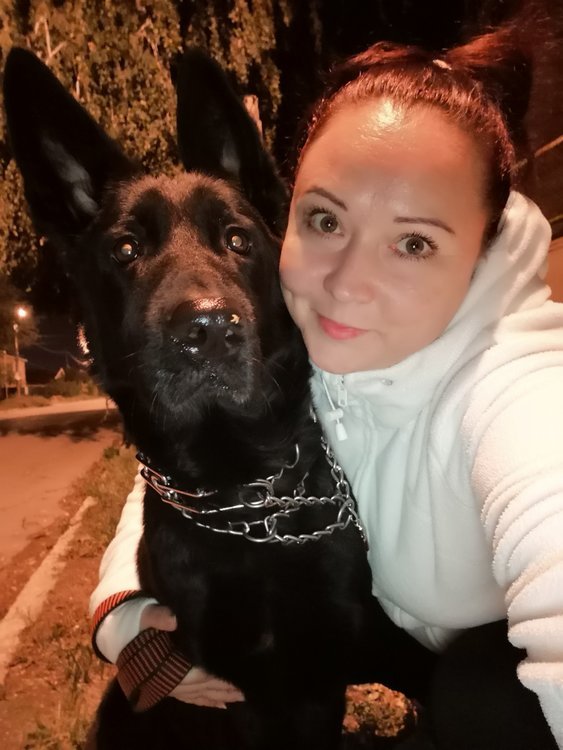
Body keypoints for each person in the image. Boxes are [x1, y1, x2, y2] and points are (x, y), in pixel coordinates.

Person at [89, 14, 563, 748]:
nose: (346, 283)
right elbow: (183, 479)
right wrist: (119, 612)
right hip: (379, 622)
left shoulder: (516, 393)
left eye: (413, 242)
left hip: (474, 662)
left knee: (482, 698)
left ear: (481, 251)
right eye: (325, 221)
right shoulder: (312, 342)